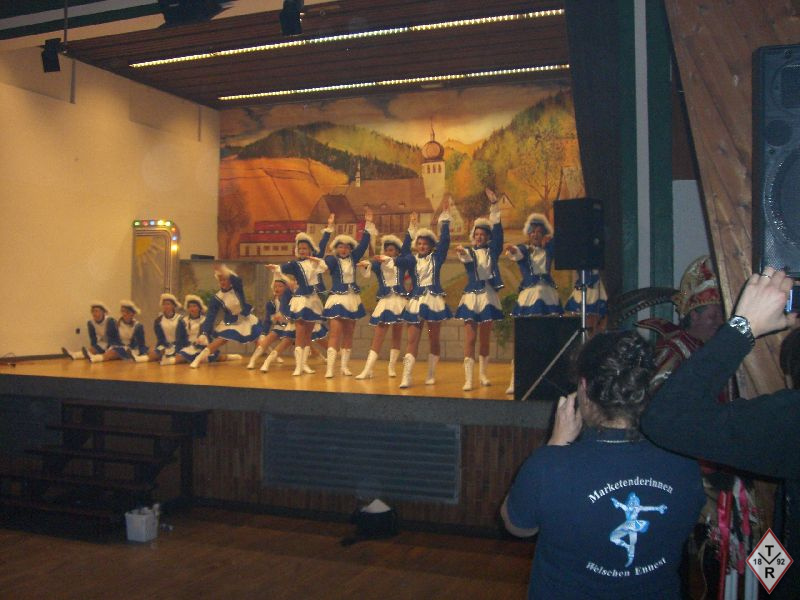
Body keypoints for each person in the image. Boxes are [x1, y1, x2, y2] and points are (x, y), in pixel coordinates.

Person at [502, 330, 704, 599]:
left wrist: (556, 444)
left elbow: (517, 525)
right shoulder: (683, 461)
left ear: (584, 389)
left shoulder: (549, 465)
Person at [641, 266, 800, 599]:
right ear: (692, 316)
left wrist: (743, 327)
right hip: (692, 465)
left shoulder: (789, 420)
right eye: (711, 315)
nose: (716, 321)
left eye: (719, 315)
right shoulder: (675, 348)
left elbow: (670, 417)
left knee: (728, 545)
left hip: (719, 458)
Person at [396, 198, 453, 389]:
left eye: (425, 244)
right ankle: (407, 376)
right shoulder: (412, 260)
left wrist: (445, 219)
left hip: (434, 301)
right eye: (419, 243)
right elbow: (403, 252)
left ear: (430, 246)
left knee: (433, 338)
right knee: (412, 339)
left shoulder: (437, 258)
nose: (421, 246)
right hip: (416, 301)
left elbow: (445, 242)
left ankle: (431, 373)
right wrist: (411, 228)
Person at [504, 212, 563, 396]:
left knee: (546, 337)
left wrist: (550, 237)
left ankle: (547, 378)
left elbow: (559, 238)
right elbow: (516, 252)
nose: (535, 234)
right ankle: (515, 378)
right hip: (529, 296)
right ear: (528, 234)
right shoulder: (524, 249)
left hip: (548, 295)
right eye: (532, 231)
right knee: (524, 338)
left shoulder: (549, 249)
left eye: (539, 231)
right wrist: (511, 248)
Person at [454, 188, 504, 391]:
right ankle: (468, 378)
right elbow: (466, 257)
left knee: (484, 339)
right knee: (470, 338)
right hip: (471, 297)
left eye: (483, 234)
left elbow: (499, 234)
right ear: (473, 236)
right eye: (477, 234)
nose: (480, 237)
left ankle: (483, 374)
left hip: (488, 296)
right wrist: (461, 251)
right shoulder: (469, 252)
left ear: (488, 237)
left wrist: (494, 206)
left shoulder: (493, 251)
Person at [321, 209, 375, 378]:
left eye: (346, 247)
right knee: (335, 333)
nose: (343, 249)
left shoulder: (353, 258)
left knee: (349, 333)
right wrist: (329, 229)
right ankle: (330, 368)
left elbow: (364, 244)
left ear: (350, 249)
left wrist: (368, 223)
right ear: (336, 248)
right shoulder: (332, 260)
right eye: (340, 246)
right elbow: (321, 256)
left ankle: (344, 366)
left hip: (352, 299)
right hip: (337, 298)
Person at [268, 233, 329, 375]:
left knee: (308, 336)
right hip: (301, 300)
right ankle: (298, 366)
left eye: (305, 248)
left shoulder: (315, 261)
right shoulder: (295, 264)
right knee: (300, 334)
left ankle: (304, 364)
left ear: (310, 250)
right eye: (300, 248)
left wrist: (327, 232)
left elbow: (322, 255)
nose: (302, 250)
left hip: (313, 301)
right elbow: (282, 268)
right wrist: (275, 267)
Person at [355, 233, 408, 380]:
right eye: (386, 250)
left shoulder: (401, 263)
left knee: (397, 335)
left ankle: (391, 367)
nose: (388, 253)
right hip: (385, 302)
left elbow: (406, 259)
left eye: (391, 250)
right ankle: (367, 369)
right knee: (378, 337)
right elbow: (369, 266)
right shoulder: (379, 265)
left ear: (397, 252)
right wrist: (365, 265)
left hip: (399, 301)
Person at [189, 264, 252, 368]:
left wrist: (224, 270)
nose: (222, 282)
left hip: (246, 318)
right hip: (232, 321)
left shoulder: (237, 288)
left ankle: (270, 358)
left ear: (230, 280)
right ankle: (198, 359)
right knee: (220, 340)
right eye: (220, 280)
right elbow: (210, 316)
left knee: (259, 337)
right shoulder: (217, 297)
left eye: (225, 279)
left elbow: (237, 280)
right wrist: (204, 333)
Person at [84, 300, 149, 362]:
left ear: (132, 314)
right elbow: (113, 339)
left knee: (114, 352)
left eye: (127, 312)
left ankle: (97, 358)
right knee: (111, 350)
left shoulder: (138, 326)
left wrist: (141, 353)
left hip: (131, 349)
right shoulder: (117, 324)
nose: (124, 314)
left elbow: (141, 343)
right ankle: (90, 356)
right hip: (118, 346)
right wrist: (114, 346)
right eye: (122, 311)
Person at [147, 293, 187, 364]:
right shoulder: (158, 320)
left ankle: (169, 359)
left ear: (173, 306)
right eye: (164, 304)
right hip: (165, 345)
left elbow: (183, 338)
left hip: (178, 345)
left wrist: (175, 347)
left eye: (168, 304)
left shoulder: (180, 319)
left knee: (180, 356)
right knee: (152, 354)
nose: (166, 306)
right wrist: (161, 348)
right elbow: (160, 339)